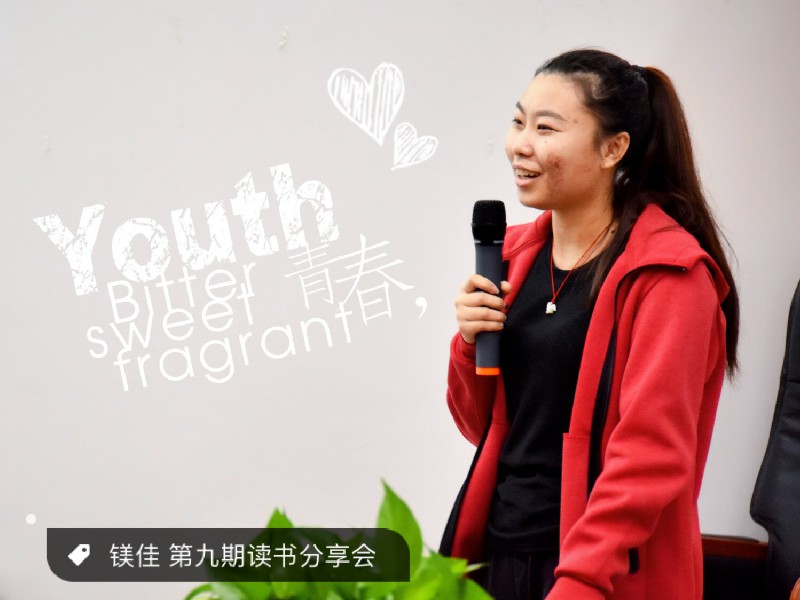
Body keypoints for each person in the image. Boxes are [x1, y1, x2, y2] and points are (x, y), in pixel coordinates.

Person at [439, 48, 739, 600]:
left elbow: (649, 457)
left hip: (603, 575)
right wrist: (467, 343)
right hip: (501, 556)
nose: (520, 144)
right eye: (518, 122)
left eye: (546, 128)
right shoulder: (513, 259)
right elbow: (482, 427)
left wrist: (580, 581)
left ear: (613, 149)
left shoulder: (669, 276)